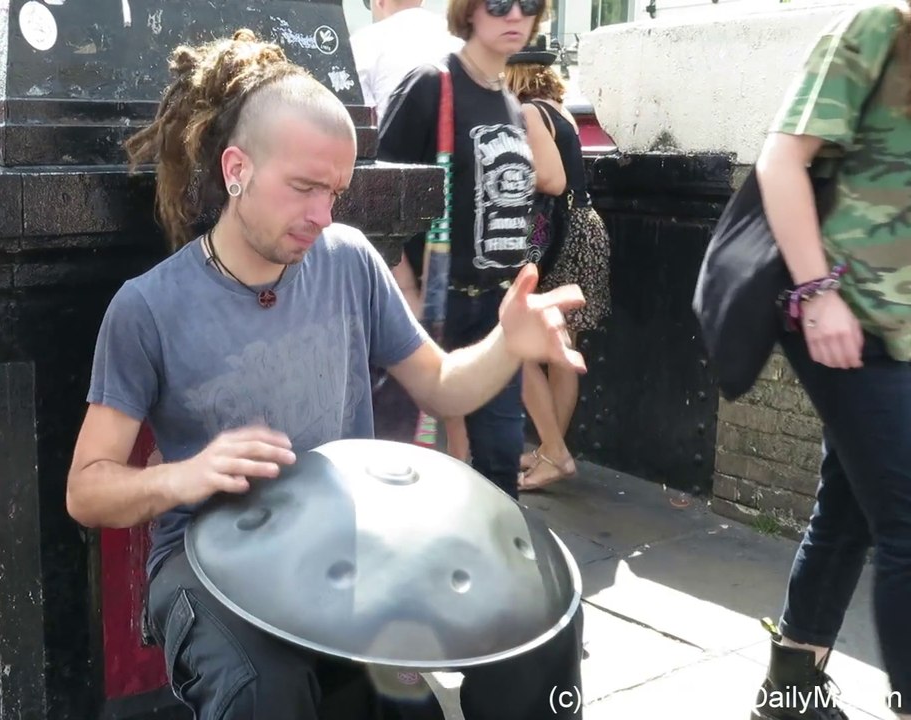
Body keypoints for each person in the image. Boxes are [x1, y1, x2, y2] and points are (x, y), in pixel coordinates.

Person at [66, 25, 586, 720]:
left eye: (335, 193)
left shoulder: (347, 260)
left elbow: (440, 385)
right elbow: (86, 490)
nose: (322, 216)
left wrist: (508, 343)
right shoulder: (147, 308)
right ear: (236, 170)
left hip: (342, 536)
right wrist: (184, 476)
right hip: (205, 550)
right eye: (305, 188)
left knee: (522, 638)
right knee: (263, 694)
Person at [751, 3, 911, 719]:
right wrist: (817, 294)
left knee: (848, 510)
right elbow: (780, 157)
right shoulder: (882, 26)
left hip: (900, 325)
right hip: (846, 314)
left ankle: (789, 695)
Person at [377, 0, 554, 494]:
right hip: (434, 305)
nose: (515, 15)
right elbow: (376, 194)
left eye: (530, 5)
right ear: (470, 11)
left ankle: (496, 567)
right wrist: (403, 287)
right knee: (411, 462)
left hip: (496, 308)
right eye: (499, 4)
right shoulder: (432, 85)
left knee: (500, 462)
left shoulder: (511, 104)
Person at [504, 36, 611, 491]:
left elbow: (551, 178)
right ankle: (552, 450)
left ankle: (555, 451)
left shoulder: (529, 112)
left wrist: (499, 172)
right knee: (563, 351)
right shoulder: (558, 109)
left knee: (522, 342)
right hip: (585, 229)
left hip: (559, 237)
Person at [351, 0, 463, 126]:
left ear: (379, 2)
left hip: (395, 141)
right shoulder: (459, 38)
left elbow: (359, 119)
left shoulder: (362, 43)